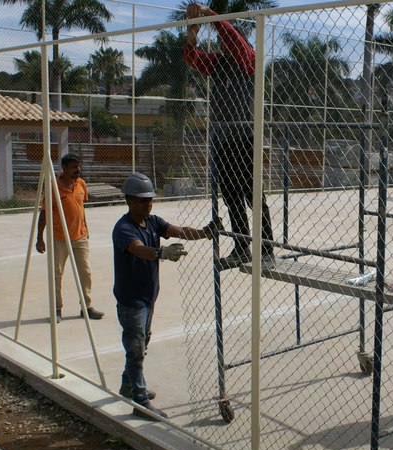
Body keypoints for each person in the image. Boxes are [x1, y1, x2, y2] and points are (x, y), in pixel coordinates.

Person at [113, 173, 216, 420]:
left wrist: (204, 232)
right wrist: (162, 253)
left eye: (150, 200)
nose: (148, 205)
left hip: (148, 297)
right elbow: (138, 250)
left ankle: (128, 384)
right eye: (142, 201)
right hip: (131, 300)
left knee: (141, 342)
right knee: (136, 348)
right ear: (129, 201)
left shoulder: (152, 221)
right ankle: (139, 401)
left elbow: (178, 230)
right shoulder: (123, 228)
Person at [184, 2, 275, 269]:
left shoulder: (249, 58)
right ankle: (242, 245)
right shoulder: (219, 63)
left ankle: (266, 247)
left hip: (246, 136)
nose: (223, 46)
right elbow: (192, 57)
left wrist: (210, 15)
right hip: (224, 138)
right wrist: (193, 32)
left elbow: (232, 38)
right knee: (231, 194)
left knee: (252, 194)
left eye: (227, 42)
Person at [36, 154, 103, 323]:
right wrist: (39, 238)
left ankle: (86, 307)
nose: (77, 170)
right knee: (57, 274)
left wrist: (86, 228)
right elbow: (44, 213)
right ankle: (57, 309)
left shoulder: (81, 184)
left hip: (80, 237)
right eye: (74, 167)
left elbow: (80, 208)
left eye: (78, 166)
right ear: (64, 169)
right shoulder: (54, 188)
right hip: (60, 238)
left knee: (85, 272)